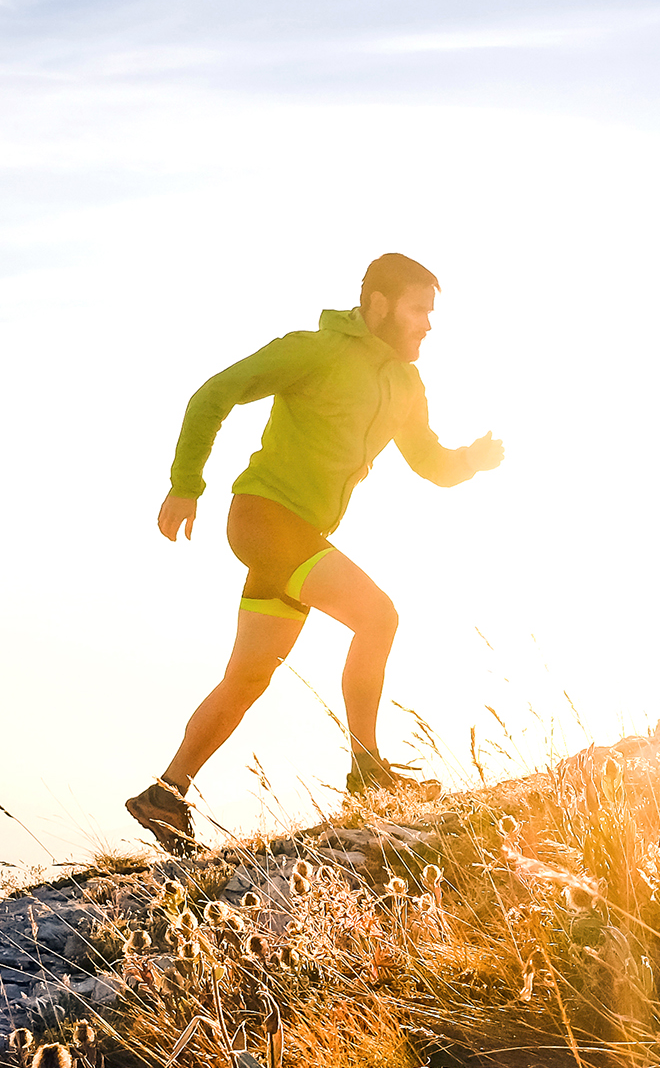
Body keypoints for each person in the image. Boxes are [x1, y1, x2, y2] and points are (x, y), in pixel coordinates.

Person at [125, 252, 504, 853]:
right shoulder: (315, 351)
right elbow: (212, 394)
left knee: (248, 677)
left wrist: (473, 462)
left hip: (296, 537)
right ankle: (367, 771)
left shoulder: (405, 384)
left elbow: (430, 462)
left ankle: (165, 795)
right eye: (417, 310)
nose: (427, 324)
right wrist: (185, 483)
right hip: (263, 519)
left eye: (432, 313)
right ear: (378, 305)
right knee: (378, 616)